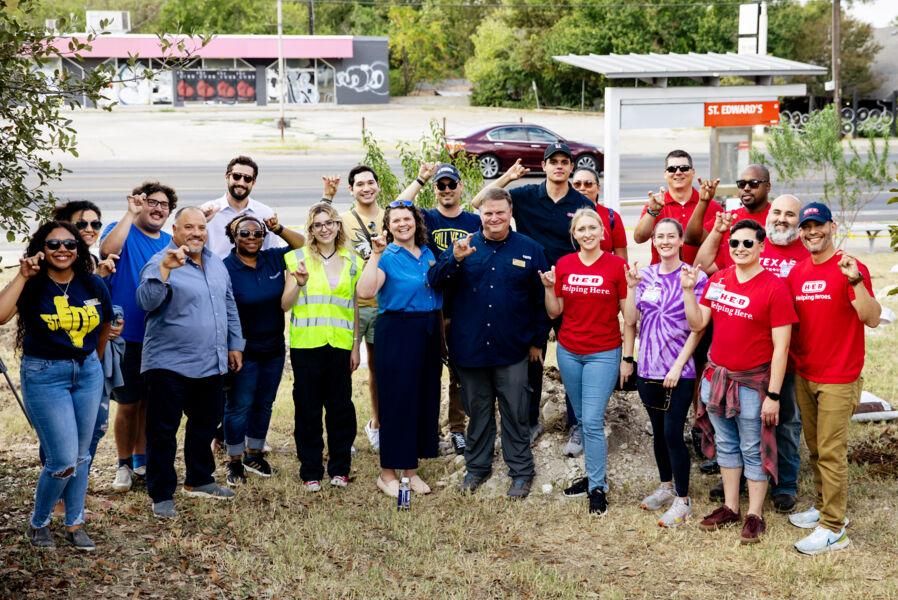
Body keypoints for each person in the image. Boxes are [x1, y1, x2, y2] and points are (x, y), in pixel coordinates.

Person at [682, 219, 797, 544]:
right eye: (735, 244)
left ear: (761, 246)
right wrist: (689, 291)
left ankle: (755, 514)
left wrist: (773, 395)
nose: (740, 249)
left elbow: (781, 348)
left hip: (752, 385)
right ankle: (731, 507)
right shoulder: (718, 281)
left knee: (752, 447)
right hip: (717, 380)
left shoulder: (774, 287)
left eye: (748, 243)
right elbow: (698, 323)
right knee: (727, 447)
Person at [429, 188, 549, 499]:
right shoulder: (464, 246)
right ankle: (477, 468)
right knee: (478, 411)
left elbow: (541, 301)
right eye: (488, 213)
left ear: (510, 214)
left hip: (513, 349)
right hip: (470, 348)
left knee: (515, 411)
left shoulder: (531, 249)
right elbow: (434, 281)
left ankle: (521, 472)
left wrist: (537, 341)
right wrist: (453, 259)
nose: (494, 218)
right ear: (480, 214)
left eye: (500, 212)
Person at [0, 221, 113, 550]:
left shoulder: (92, 283)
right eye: (53, 244)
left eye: (70, 244)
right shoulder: (33, 285)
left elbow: (105, 323)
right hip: (45, 374)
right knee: (62, 460)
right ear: (41, 249)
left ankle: (75, 522)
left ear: (79, 249)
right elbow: (1, 316)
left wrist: (94, 360)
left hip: (87, 373)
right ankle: (39, 523)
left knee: (81, 457)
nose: (62, 250)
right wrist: (22, 275)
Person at [472, 143, 593, 447]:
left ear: (570, 167)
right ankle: (528, 421)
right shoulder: (525, 195)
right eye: (554, 161)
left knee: (572, 357)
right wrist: (507, 178)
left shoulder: (580, 202)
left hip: (568, 289)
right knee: (531, 357)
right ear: (545, 165)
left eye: (565, 162)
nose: (559, 166)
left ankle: (576, 423)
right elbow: (479, 202)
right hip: (527, 287)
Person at [696, 194, 809, 512]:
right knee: (735, 432)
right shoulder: (749, 242)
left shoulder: (802, 252)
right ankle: (737, 487)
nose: (782, 218)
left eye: (790, 214)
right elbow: (706, 269)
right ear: (767, 215)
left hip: (782, 354)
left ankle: (783, 484)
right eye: (777, 212)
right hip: (740, 357)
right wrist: (718, 233)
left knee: (783, 422)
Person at [137, 207, 245, 518]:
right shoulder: (161, 261)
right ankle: (161, 493)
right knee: (162, 431)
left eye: (200, 227)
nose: (196, 233)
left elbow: (228, 304)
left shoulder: (215, 264)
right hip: (168, 364)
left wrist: (235, 344)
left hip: (210, 361)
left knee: (205, 424)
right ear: (175, 230)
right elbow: (146, 302)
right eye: (189, 227)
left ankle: (199, 479)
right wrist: (165, 272)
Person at [786, 202, 881, 555]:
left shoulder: (850, 268)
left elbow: (870, 318)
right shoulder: (796, 272)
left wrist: (855, 281)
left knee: (831, 451)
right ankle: (824, 506)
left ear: (832, 227)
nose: (812, 232)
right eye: (807, 227)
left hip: (839, 377)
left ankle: (834, 528)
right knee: (814, 447)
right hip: (805, 372)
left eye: (819, 226)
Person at [540, 209, 630, 513]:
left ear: (603, 232)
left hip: (603, 353)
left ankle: (597, 488)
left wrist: (633, 287)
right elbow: (554, 312)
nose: (588, 233)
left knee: (591, 421)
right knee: (582, 419)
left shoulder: (617, 266)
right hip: (568, 351)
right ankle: (592, 476)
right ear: (574, 234)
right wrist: (550, 287)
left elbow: (630, 317)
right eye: (582, 229)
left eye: (593, 227)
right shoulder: (565, 264)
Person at [623, 218, 706, 527]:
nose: (665, 241)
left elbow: (697, 327)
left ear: (681, 240)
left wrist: (678, 365)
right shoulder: (644, 276)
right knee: (658, 432)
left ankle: (683, 501)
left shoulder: (695, 277)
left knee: (673, 432)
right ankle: (665, 486)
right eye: (660, 236)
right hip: (648, 367)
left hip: (679, 369)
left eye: (671, 235)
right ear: (653, 242)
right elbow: (631, 319)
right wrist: (631, 289)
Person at [357, 200, 442, 498]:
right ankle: (388, 473)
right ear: (388, 226)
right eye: (396, 221)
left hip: (429, 330)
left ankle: (411, 471)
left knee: (422, 399)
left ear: (416, 222)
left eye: (407, 219)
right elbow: (365, 292)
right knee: (397, 401)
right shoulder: (386, 256)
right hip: (399, 330)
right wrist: (376, 255)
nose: (403, 224)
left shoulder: (428, 253)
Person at [398, 162, 481, 455]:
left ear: (460, 187)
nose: (447, 190)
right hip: (431, 302)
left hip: (463, 303)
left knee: (458, 369)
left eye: (451, 185)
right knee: (427, 367)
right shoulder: (426, 218)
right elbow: (399, 205)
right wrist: (421, 177)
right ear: (435, 190)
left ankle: (457, 428)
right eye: (441, 185)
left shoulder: (474, 221)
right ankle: (427, 428)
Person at [100, 182, 176, 493]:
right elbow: (107, 251)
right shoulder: (123, 230)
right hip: (126, 334)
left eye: (164, 205)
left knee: (150, 403)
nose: (158, 209)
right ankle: (123, 463)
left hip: (159, 337)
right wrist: (129, 214)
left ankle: (141, 458)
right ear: (140, 204)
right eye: (152, 203)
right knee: (129, 404)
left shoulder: (171, 242)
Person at [282, 203, 362, 491]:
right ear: (311, 229)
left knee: (341, 408)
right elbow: (285, 304)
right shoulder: (297, 258)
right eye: (318, 224)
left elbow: (353, 305)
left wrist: (355, 346)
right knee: (308, 409)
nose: (325, 228)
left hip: (340, 345)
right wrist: (299, 284)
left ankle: (340, 468)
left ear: (338, 225)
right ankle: (311, 470)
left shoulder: (353, 261)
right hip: (306, 345)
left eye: (330, 222)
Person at [221, 214, 304, 486]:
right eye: (244, 233)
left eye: (257, 233)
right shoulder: (225, 268)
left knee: (264, 402)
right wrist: (232, 347)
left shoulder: (272, 258)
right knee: (239, 405)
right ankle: (234, 459)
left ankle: (253, 454)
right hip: (242, 350)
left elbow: (301, 245)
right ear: (233, 236)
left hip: (274, 347)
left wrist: (277, 227)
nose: (252, 238)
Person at [51, 201, 124, 473]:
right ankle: (59, 497)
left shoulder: (92, 263)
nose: (90, 229)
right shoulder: (54, 262)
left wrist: (111, 323)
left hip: (92, 359)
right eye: (81, 224)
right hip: (59, 362)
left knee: (94, 427)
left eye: (96, 224)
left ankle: (77, 493)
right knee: (61, 432)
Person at [334, 166, 385, 453]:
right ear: (351, 189)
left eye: (370, 182)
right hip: (351, 305)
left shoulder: (388, 216)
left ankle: (376, 425)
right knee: (344, 370)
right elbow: (317, 231)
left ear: (378, 186)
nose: (366, 188)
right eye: (360, 184)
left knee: (378, 370)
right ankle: (343, 433)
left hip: (382, 305)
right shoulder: (342, 221)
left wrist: (421, 179)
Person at [632, 150, 721, 265]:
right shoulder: (656, 204)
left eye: (684, 168)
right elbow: (639, 238)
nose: (678, 172)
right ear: (665, 174)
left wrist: (704, 202)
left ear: (693, 172)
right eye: (672, 169)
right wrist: (652, 212)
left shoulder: (712, 206)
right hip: (662, 279)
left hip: (702, 277)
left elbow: (718, 246)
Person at [201, 155, 289, 257]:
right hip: (217, 271)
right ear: (227, 176)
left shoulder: (265, 213)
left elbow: (273, 251)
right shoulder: (209, 212)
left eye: (247, 178)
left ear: (253, 182)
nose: (241, 182)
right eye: (236, 176)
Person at [689, 164, 773, 271]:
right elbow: (692, 239)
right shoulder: (728, 218)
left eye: (753, 183)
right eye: (742, 184)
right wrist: (703, 202)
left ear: (768, 187)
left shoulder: (778, 219)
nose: (746, 188)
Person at [570, 166, 628, 261]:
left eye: (588, 184)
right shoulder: (563, 213)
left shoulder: (612, 216)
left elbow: (621, 259)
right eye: (577, 184)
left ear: (598, 188)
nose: (582, 188)